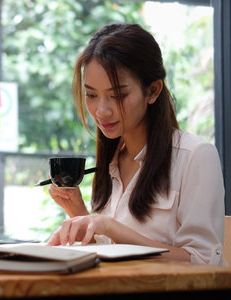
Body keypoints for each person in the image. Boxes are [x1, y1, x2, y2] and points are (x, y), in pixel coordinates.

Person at [47, 23, 226, 265]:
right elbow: (113, 256)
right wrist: (80, 215)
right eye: (91, 95)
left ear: (152, 91)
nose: (101, 111)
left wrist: (111, 227)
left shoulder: (196, 156)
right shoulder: (112, 161)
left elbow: (204, 263)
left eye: (118, 95)